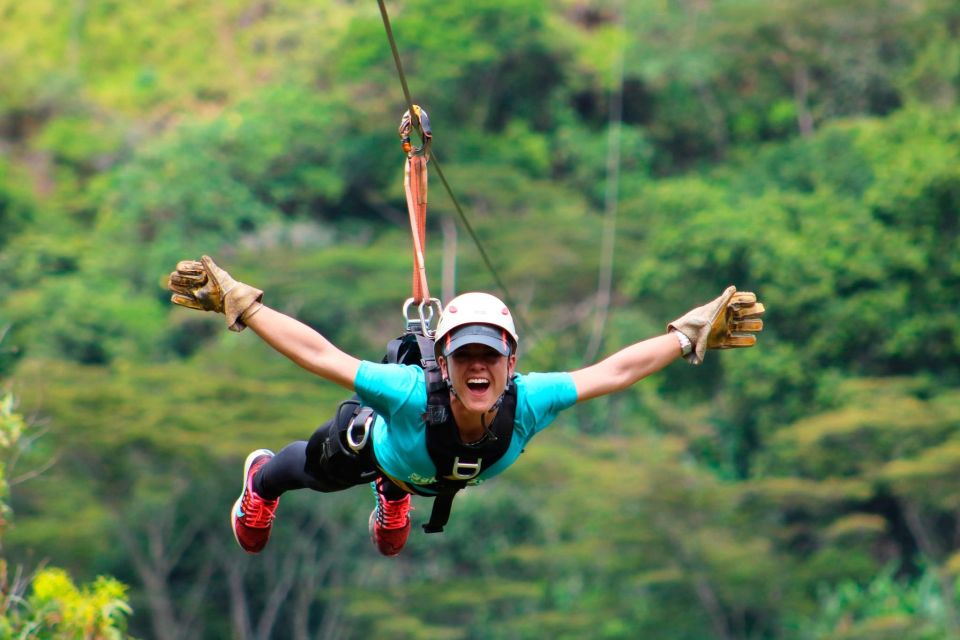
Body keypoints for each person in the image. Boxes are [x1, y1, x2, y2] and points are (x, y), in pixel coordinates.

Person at [167, 256, 764, 556]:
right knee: (322, 465)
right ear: (443, 364)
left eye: (490, 357)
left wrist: (687, 335)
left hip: (424, 469)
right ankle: (259, 483)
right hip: (385, 445)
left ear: (511, 362)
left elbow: (614, 371)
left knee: (409, 477)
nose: (478, 368)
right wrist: (243, 304)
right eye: (463, 357)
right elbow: (320, 355)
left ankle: (396, 494)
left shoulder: (531, 400)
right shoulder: (406, 392)